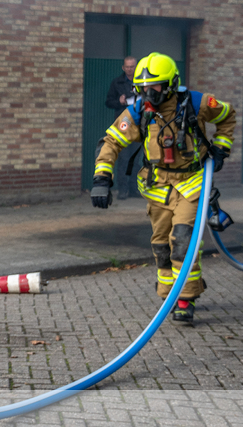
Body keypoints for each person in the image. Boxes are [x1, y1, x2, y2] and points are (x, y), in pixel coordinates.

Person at [90, 52, 235, 325]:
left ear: (170, 84)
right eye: (143, 88)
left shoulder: (196, 103)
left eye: (154, 87)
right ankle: (168, 293)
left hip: (192, 185)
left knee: (183, 239)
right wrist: (101, 179)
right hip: (157, 187)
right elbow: (111, 141)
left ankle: (185, 299)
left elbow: (227, 116)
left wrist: (221, 148)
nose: (148, 93)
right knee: (161, 245)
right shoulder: (139, 111)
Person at [105, 56, 139, 199]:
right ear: (123, 68)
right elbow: (108, 102)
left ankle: (133, 189)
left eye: (132, 66)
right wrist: (119, 102)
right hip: (123, 124)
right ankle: (123, 190)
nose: (130, 69)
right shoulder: (116, 83)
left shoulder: (142, 83)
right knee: (124, 158)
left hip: (138, 124)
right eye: (127, 66)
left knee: (136, 159)